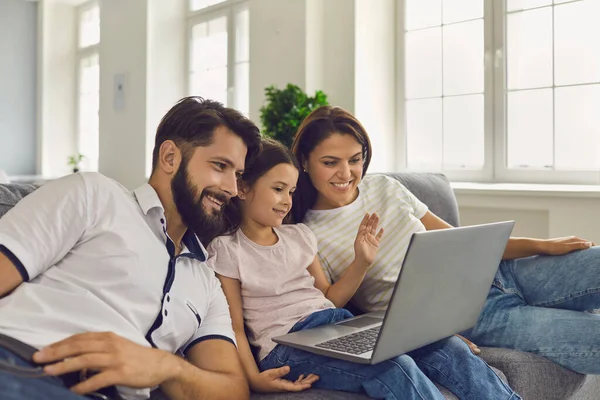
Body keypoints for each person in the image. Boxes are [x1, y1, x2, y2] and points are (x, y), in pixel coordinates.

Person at [291, 105, 600, 375]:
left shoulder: (386, 187)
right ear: (304, 161)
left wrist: (541, 245)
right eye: (330, 162)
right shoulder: (307, 234)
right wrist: (362, 263)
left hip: (501, 273)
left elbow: (460, 241)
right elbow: (332, 306)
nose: (346, 173)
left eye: (355, 159)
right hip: (474, 317)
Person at [206, 138, 520, 400]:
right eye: (277, 189)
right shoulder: (227, 249)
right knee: (392, 366)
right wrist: (253, 378)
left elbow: (331, 297)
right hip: (286, 345)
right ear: (244, 188)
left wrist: (362, 262)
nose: (287, 201)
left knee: (445, 345)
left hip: (336, 324)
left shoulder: (299, 236)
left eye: (290, 191)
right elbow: (233, 327)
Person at [0, 97, 262, 400]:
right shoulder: (94, 195)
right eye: (220, 166)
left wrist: (165, 366)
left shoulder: (205, 283)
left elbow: (232, 390)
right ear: (169, 157)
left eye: (238, 175)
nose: (231, 188)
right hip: (23, 367)